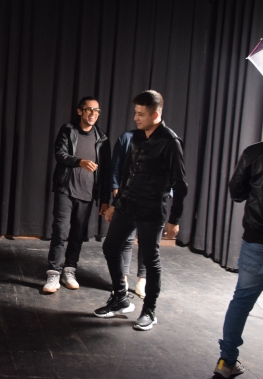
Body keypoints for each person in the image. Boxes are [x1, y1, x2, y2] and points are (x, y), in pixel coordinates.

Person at [95, 90, 187, 331]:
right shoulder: (136, 137)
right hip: (128, 205)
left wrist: (174, 219)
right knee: (110, 247)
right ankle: (120, 298)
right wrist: (116, 204)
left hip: (152, 209)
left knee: (150, 259)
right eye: (135, 113)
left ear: (155, 114)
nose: (136, 118)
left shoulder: (170, 142)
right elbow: (128, 173)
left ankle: (149, 311)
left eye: (141, 114)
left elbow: (180, 184)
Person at [213, 98, 263, 378]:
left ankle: (226, 363)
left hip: (257, 242)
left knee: (241, 303)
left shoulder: (254, 152)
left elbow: (236, 193)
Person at [43, 97, 111, 293]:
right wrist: (79, 162)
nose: (93, 113)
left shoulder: (102, 139)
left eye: (97, 111)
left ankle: (69, 270)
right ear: (80, 111)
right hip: (66, 189)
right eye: (89, 109)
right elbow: (60, 154)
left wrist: (105, 199)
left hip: (87, 193)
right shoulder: (68, 130)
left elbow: (106, 171)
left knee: (77, 235)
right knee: (60, 231)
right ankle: (53, 273)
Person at [111, 130, 147, 298]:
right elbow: (117, 165)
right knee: (126, 240)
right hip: (128, 197)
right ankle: (123, 279)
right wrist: (115, 187)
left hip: (150, 200)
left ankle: (142, 281)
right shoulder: (126, 138)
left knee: (147, 243)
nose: (137, 118)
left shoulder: (165, 140)